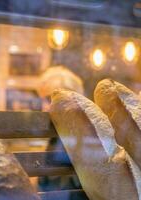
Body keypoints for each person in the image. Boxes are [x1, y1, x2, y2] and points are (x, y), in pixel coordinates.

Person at [37, 66, 84, 194]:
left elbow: (58, 190)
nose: (43, 107)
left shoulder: (74, 139)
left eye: (49, 99)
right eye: (42, 100)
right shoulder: (58, 135)